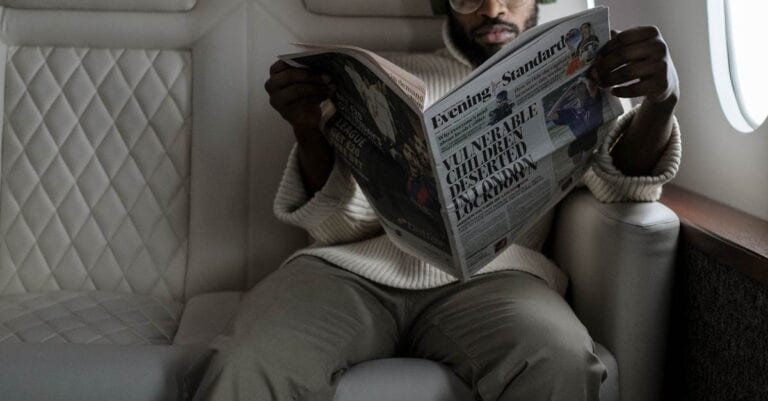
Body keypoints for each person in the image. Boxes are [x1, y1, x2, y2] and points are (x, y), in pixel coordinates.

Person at [193, 0, 681, 400]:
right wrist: (308, 129)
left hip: (496, 280)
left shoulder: (578, 79)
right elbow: (333, 227)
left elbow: (624, 184)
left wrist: (661, 104)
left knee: (560, 360)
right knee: (253, 362)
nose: (493, 9)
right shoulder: (391, 78)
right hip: (348, 274)